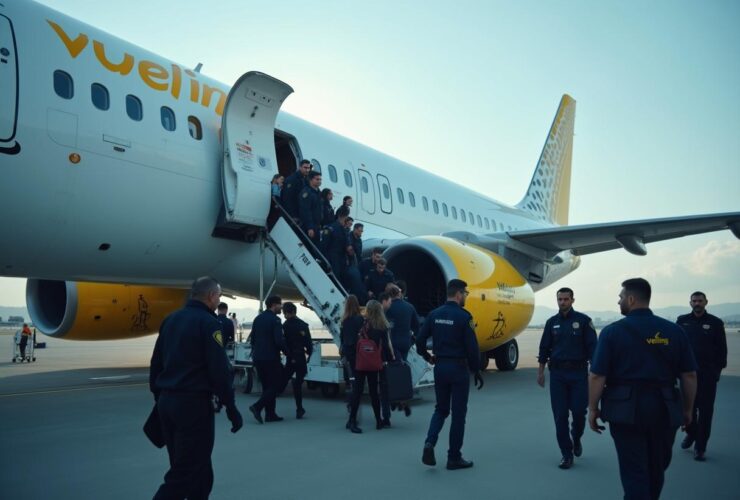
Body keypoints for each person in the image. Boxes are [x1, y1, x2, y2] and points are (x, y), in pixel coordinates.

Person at [588, 278, 697, 500]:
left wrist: (592, 408)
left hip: (625, 411)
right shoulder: (674, 331)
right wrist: (687, 410)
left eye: (620, 297)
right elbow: (689, 375)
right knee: (656, 469)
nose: (618, 301)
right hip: (665, 408)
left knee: (634, 472)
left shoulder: (612, 332)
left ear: (631, 299)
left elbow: (597, 375)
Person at [149, 276, 243, 499]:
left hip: (167, 403)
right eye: (219, 295)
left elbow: (156, 364)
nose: (218, 299)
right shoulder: (208, 323)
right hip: (192, 406)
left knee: (199, 471)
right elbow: (219, 370)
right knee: (184, 473)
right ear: (211, 296)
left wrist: (160, 398)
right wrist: (230, 406)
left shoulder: (170, 319)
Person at [417, 279, 484, 470]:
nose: (465, 297)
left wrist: (428, 357)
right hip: (458, 369)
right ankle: (454, 457)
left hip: (440, 367)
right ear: (459, 294)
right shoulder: (464, 317)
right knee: (458, 414)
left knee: (441, 409)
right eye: (465, 294)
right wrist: (476, 369)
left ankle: (429, 442)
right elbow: (472, 348)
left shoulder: (434, 314)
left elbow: (420, 341)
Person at [536, 287, 597, 469]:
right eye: (560, 299)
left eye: (565, 299)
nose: (562, 302)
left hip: (578, 374)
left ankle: (576, 437)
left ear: (572, 300)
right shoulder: (551, 322)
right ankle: (566, 454)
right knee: (560, 415)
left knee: (579, 412)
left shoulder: (583, 321)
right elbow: (544, 348)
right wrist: (540, 372)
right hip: (558, 376)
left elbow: (594, 350)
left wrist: (595, 374)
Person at [676, 291, 727, 461]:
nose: (697, 303)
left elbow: (722, 350)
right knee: (687, 409)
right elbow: (676, 346)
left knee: (705, 412)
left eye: (700, 301)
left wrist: (716, 373)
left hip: (707, 376)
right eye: (694, 301)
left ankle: (700, 447)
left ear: (706, 302)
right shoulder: (682, 321)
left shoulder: (715, 323)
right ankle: (692, 433)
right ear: (690, 303)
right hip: (686, 374)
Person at [346, 300, 394, 434]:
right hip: (374, 363)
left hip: (360, 362)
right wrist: (389, 359)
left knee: (357, 392)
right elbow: (386, 346)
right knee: (374, 392)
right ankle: (378, 420)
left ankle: (352, 420)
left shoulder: (361, 323)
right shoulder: (382, 327)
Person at [248, 296, 288, 424]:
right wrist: (288, 353)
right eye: (280, 304)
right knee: (277, 385)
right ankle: (257, 407)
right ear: (274, 305)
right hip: (270, 358)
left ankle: (270, 414)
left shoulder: (258, 319)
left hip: (258, 357)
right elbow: (279, 341)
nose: (281, 307)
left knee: (267, 386)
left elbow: (253, 339)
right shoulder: (275, 320)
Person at [384, 284, 420, 417]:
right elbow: (417, 326)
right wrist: (412, 339)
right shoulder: (409, 307)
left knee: (391, 372)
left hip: (391, 344)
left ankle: (395, 398)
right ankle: (401, 399)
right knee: (402, 368)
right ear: (399, 293)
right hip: (405, 343)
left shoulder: (387, 308)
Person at [281, 302, 313, 419]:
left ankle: (263, 402)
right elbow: (308, 342)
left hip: (290, 357)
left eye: (286, 313)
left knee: (282, 382)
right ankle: (299, 409)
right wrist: (309, 353)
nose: (286, 316)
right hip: (300, 357)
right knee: (298, 383)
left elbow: (283, 342)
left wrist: (287, 353)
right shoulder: (303, 325)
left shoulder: (284, 326)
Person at [340, 295, 364, 410]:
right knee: (358, 379)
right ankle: (355, 402)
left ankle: (350, 402)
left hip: (346, 352)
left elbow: (342, 338)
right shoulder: (360, 319)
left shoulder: (344, 321)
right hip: (358, 353)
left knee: (349, 379)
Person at [324, 206, 350, 282]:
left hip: (339, 259)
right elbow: (324, 245)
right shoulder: (331, 228)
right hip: (333, 259)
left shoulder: (343, 229)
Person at [298, 170, 322, 244]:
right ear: (311, 180)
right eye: (317, 179)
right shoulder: (307, 193)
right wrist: (310, 227)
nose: (319, 181)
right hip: (309, 226)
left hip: (317, 226)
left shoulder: (318, 192)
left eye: (320, 179)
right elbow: (305, 211)